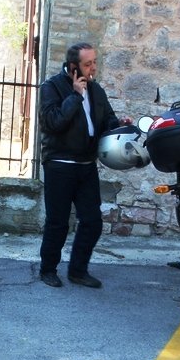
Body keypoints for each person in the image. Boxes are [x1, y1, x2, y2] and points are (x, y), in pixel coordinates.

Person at [37, 42, 131, 288]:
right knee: (57, 222)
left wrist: (119, 122)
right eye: (88, 64)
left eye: (95, 62)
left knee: (92, 221)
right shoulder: (51, 88)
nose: (93, 68)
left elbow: (106, 120)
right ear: (72, 67)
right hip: (59, 164)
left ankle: (78, 270)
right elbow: (52, 123)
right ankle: (48, 269)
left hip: (86, 165)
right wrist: (75, 96)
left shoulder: (97, 91)